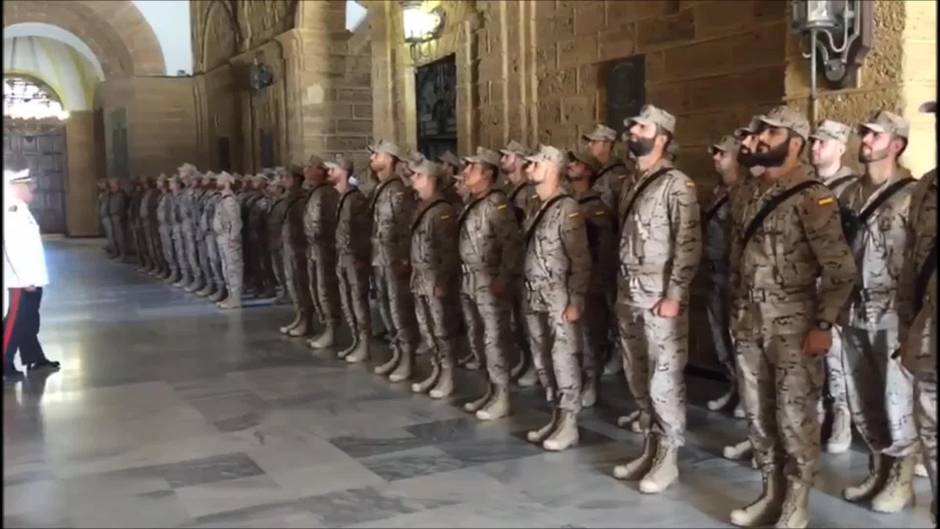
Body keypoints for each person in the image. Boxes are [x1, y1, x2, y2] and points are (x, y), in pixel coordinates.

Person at [728, 106, 856, 528]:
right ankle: (769, 492)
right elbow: (737, 258)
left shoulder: (812, 196)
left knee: (794, 415)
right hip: (749, 321)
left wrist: (824, 325)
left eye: (771, 132)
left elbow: (839, 270)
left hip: (794, 324)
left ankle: (794, 503)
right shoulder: (749, 191)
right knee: (758, 414)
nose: (760, 138)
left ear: (795, 143)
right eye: (760, 130)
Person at [611, 104, 701, 495]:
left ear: (662, 137)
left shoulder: (677, 184)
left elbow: (688, 242)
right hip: (628, 293)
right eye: (632, 127)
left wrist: (675, 294)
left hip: (659, 297)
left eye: (642, 127)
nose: (633, 132)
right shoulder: (630, 183)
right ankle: (649, 447)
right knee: (637, 376)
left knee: (663, 378)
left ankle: (668, 457)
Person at [839, 110, 918, 513]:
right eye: (863, 134)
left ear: (897, 144)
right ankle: (877, 468)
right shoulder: (849, 194)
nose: (865, 141)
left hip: (893, 314)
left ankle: (901, 478)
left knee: (896, 398)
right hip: (853, 310)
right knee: (863, 397)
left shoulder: (914, 195)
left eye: (874, 136)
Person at [521, 145, 591, 450]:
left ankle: (569, 421)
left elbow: (580, 259)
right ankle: (555, 414)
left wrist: (576, 300)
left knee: (563, 358)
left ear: (551, 167)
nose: (528, 167)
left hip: (557, 296)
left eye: (535, 163)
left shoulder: (567, 208)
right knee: (542, 357)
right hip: (533, 293)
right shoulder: (534, 204)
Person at [458, 146, 523, 420]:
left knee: (494, 338)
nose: (465, 172)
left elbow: (512, 245)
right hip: (469, 279)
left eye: (471, 168)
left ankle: (503, 394)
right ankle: (490, 389)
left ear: (486, 173)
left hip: (488, 280)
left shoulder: (498, 204)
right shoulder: (473, 202)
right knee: (476, 335)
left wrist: (503, 279)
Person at [809, 119, 859, 453]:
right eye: (813, 142)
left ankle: (842, 414)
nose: (815, 148)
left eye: (822, 143)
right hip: (804, 281)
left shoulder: (851, 189)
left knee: (836, 356)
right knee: (808, 354)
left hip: (835, 282)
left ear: (840, 148)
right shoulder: (805, 185)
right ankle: (814, 414)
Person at [898, 100, 937, 523]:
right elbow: (911, 262)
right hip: (929, 337)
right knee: (931, 436)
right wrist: (906, 323)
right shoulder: (926, 187)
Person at [407, 158, 461, 398]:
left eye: (417, 175)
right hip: (420, 277)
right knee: (426, 327)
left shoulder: (442, 210)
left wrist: (443, 281)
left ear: (430, 178)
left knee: (441, 329)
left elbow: (448, 250)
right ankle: (436, 369)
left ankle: (447, 374)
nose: (412, 179)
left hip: (434, 278)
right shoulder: (422, 205)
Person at [567, 148, 616, 408]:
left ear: (588, 170)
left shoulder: (596, 207)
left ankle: (591, 380)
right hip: (568, 279)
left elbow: (604, 248)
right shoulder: (567, 202)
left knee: (589, 335)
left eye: (577, 163)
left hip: (590, 280)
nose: (571, 166)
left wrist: (597, 280)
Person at [369, 140, 420, 381]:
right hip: (380, 257)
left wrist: (403, 261)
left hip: (393, 258)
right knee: (385, 305)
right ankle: (397, 352)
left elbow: (404, 228)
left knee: (399, 308)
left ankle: (407, 358)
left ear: (390, 159)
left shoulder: (397, 190)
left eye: (376, 154)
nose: (372, 158)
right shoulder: (381, 187)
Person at [3, 167, 61, 380]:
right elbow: (13, 248)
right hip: (21, 280)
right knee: (16, 321)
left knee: (29, 320)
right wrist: (25, 279)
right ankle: (4, 360)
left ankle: (34, 357)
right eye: (30, 187)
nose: (33, 191)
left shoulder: (22, 209)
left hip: (32, 277)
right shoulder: (13, 211)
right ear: (19, 187)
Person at [704, 135, 744, 416]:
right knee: (721, 337)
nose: (716, 158)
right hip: (715, 271)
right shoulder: (718, 191)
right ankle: (734, 385)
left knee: (739, 337)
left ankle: (746, 393)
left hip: (736, 275)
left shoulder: (744, 192)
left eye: (722, 154)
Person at [498, 140, 538, 385]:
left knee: (526, 320)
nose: (503, 160)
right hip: (509, 260)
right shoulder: (509, 190)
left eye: (508, 156)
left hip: (522, 263)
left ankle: (534, 364)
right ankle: (525, 359)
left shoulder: (527, 193)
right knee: (516, 320)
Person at [327, 155, 373, 364]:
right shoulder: (342, 196)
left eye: (333, 169)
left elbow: (363, 230)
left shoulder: (356, 199)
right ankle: (355, 339)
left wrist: (362, 256)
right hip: (343, 256)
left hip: (354, 258)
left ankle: (364, 343)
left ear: (343, 171)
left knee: (358, 300)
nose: (329, 173)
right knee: (347, 300)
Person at [303, 157, 342, 349]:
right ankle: (324, 324)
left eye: (311, 167)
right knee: (316, 287)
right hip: (314, 248)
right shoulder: (315, 192)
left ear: (321, 171)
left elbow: (330, 224)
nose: (306, 170)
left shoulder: (327, 193)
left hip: (325, 248)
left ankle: (332, 328)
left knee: (326, 289)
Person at [281, 164, 316, 336]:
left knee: (302, 285)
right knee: (293, 283)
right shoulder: (290, 197)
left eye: (287, 177)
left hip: (300, 247)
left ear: (296, 179)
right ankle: (299, 316)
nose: (283, 181)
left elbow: (304, 225)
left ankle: (307, 320)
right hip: (291, 245)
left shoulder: (301, 199)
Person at [213, 171, 244, 310]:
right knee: (226, 268)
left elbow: (235, 221)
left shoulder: (230, 200)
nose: (216, 183)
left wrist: (233, 238)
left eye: (219, 180)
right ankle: (231, 295)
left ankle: (236, 297)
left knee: (233, 268)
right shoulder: (223, 199)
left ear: (226, 182)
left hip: (229, 238)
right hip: (222, 237)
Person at [266, 173, 291, 305]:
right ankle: (284, 291)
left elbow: (285, 222)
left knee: (284, 269)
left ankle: (289, 293)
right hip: (274, 239)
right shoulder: (274, 202)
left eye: (273, 187)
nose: (270, 189)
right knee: (278, 268)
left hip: (281, 241)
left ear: (280, 189)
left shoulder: (284, 204)